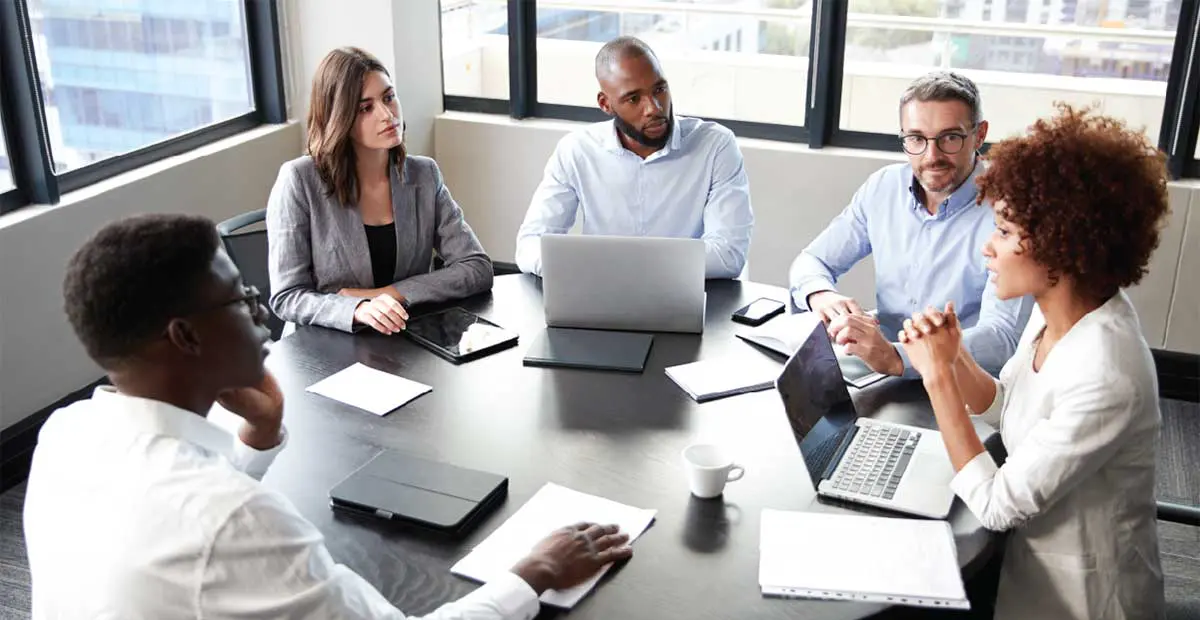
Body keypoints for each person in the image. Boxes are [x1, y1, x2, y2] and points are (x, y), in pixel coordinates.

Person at [24, 214, 633, 620]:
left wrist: (260, 438)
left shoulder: (66, 435)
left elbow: (183, 524)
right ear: (184, 336)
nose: (261, 309)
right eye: (240, 298)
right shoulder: (237, 519)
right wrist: (535, 569)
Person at [898, 105, 1167, 620]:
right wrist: (956, 359)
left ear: (1060, 245)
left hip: (1087, 607)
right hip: (1035, 573)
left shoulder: (1107, 372)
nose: (988, 249)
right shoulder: (1060, 315)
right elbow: (1008, 408)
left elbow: (997, 506)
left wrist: (936, 380)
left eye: (1002, 231)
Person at [789, 71, 1031, 378]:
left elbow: (1003, 337)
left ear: (979, 135)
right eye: (916, 138)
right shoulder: (883, 187)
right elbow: (812, 261)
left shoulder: (1012, 210)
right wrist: (823, 296)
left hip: (966, 386)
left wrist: (898, 357)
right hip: (879, 373)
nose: (932, 156)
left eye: (950, 138)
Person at [268, 47, 492, 336]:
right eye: (366, 108)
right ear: (340, 118)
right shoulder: (299, 181)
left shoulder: (424, 175)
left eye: (388, 97)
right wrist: (356, 309)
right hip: (323, 347)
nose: (387, 115)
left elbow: (477, 267)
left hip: (403, 338)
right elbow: (288, 296)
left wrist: (387, 294)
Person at [514, 36, 753, 279]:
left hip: (697, 299)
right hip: (603, 297)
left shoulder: (716, 146)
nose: (654, 109)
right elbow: (530, 245)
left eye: (659, 90)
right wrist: (583, 270)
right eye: (633, 98)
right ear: (605, 104)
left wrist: (616, 267)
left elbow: (728, 254)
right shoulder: (576, 151)